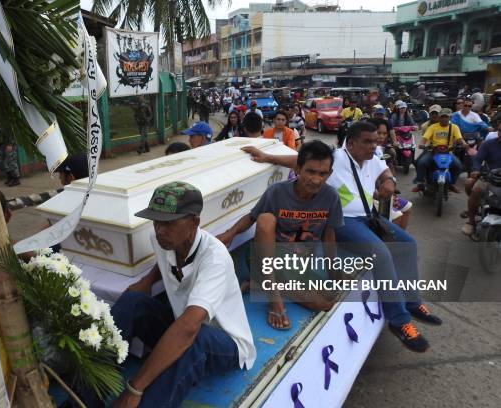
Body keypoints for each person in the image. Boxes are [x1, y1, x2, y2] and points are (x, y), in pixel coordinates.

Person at [240, 122, 442, 352]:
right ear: (352, 143)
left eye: (375, 141)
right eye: (367, 142)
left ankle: (413, 302)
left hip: (370, 217)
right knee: (382, 255)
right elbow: (300, 163)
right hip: (347, 221)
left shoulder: (373, 158)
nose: (373, 146)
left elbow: (385, 172)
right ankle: (399, 320)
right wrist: (267, 157)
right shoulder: (336, 157)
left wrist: (389, 181)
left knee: (408, 244)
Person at [111, 182, 256, 408]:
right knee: (132, 302)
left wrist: (135, 387)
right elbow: (165, 261)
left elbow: (189, 327)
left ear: (194, 222)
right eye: (156, 222)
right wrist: (148, 281)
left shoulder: (215, 258)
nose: (159, 230)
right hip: (183, 323)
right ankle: (87, 391)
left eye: (168, 223)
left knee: (193, 337)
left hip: (226, 344)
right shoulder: (164, 241)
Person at [217, 141, 343, 329]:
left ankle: (260, 284)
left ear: (330, 174)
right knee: (266, 219)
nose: (316, 179)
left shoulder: (331, 197)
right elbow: (252, 217)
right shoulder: (277, 192)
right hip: (265, 258)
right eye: (310, 171)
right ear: (298, 168)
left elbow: (329, 236)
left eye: (322, 174)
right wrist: (229, 234)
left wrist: (335, 273)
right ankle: (274, 298)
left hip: (297, 265)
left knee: (326, 302)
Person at [462, 118, 501, 236]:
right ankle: (471, 221)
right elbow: (478, 159)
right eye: (500, 130)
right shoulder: (489, 143)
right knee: (475, 188)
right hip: (490, 178)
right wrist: (476, 170)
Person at [414, 108, 466, 193]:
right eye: (442, 117)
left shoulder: (454, 127)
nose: (444, 119)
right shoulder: (433, 127)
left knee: (458, 166)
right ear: (439, 117)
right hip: (433, 151)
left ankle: (451, 184)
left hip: (447, 152)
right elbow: (424, 138)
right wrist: (422, 144)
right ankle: (420, 183)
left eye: (446, 117)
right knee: (421, 163)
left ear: (450, 118)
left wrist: (464, 143)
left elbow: (460, 138)